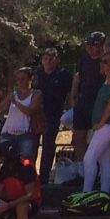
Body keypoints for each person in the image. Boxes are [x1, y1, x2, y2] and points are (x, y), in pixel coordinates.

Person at [33, 46, 73, 180]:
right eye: (45, 59)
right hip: (36, 115)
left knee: (48, 146)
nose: (48, 61)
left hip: (53, 115)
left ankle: (44, 177)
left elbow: (70, 94)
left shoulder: (64, 75)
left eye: (51, 59)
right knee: (32, 146)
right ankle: (30, 176)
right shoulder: (36, 74)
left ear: (57, 60)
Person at [80, 54, 110, 195]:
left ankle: (86, 193)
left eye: (106, 61)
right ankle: (104, 194)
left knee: (89, 158)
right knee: (105, 160)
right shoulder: (108, 79)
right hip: (109, 126)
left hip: (107, 125)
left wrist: (101, 123)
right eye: (102, 61)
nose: (102, 64)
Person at [69, 31, 107, 158]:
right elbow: (77, 78)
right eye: (88, 45)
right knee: (78, 137)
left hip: (100, 104)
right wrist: (73, 96)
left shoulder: (108, 60)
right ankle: (82, 168)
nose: (90, 48)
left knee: (100, 140)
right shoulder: (84, 59)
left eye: (94, 45)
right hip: (83, 102)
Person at [0, 66, 41, 161]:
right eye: (18, 79)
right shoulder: (13, 94)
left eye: (23, 79)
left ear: (30, 79)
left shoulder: (36, 94)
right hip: (8, 133)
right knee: (8, 161)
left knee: (26, 163)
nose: (20, 82)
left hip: (26, 134)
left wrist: (16, 103)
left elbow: (30, 111)